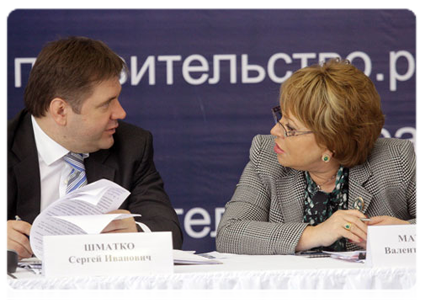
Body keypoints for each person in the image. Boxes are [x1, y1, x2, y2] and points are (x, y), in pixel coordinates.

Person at [216, 58, 419, 255]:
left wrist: (403, 233)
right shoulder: (268, 156)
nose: (274, 131)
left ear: (330, 144)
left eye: (291, 128)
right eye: (281, 117)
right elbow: (229, 234)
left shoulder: (395, 160)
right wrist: (313, 234)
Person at [5, 36, 183, 258]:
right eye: (106, 103)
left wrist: (137, 233)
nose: (120, 113)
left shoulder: (132, 145)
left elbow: (168, 232)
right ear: (60, 111)